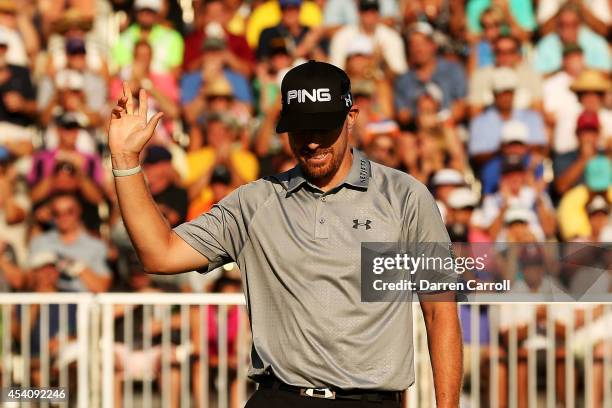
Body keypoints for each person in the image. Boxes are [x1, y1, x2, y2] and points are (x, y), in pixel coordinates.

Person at [108, 61, 462, 407]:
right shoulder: (254, 202)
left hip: (371, 400)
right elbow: (160, 254)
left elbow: (440, 312)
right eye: (300, 130)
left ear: (351, 117)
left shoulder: (404, 197)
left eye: (323, 128)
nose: (311, 143)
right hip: (279, 397)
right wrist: (125, 161)